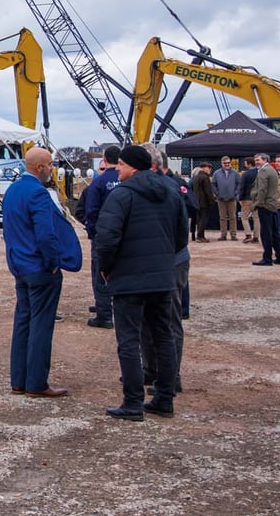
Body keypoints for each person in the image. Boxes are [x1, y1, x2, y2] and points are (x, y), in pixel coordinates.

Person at [94, 145, 188, 421]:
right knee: (164, 336)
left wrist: (106, 268)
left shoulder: (121, 195)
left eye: (120, 164)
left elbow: (107, 237)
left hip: (129, 277)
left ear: (133, 167)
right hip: (162, 276)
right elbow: (181, 235)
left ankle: (133, 401)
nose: (117, 169)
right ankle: (164, 398)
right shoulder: (171, 192)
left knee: (129, 340)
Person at [1, 146, 71, 399]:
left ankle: (19, 380)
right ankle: (36, 382)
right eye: (50, 165)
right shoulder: (38, 194)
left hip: (19, 265)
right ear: (39, 167)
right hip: (39, 267)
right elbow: (46, 233)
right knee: (41, 324)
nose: (52, 169)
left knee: (23, 322)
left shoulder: (12, 191)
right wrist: (53, 261)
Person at [142, 146, 191, 393]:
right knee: (149, 319)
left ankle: (170, 376)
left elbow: (181, 231)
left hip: (170, 261)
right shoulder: (154, 188)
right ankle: (152, 369)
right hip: (165, 260)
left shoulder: (168, 190)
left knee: (168, 319)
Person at [82, 145, 121, 330]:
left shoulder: (98, 183)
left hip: (103, 235)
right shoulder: (127, 180)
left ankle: (104, 313)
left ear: (104, 159)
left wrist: (93, 233)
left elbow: (91, 211)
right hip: (124, 235)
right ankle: (114, 307)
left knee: (101, 273)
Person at [250, 153, 280, 266]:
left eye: (258, 160)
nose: (256, 162)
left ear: (265, 160)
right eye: (255, 160)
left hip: (265, 205)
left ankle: (267, 258)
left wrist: (258, 203)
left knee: (266, 233)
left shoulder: (263, 171)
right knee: (274, 233)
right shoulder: (272, 170)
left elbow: (262, 189)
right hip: (272, 205)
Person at [212, 156, 241, 241]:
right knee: (222, 218)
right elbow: (213, 184)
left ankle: (233, 235)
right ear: (222, 163)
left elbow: (239, 184)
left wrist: (235, 194)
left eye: (228, 163)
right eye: (225, 163)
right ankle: (223, 235)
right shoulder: (216, 173)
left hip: (232, 199)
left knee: (233, 217)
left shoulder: (235, 173)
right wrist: (217, 194)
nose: (227, 164)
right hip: (221, 199)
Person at [189, 163, 215, 242]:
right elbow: (208, 191)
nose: (210, 169)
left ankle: (201, 236)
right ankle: (200, 236)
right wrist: (211, 201)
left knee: (199, 219)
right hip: (204, 202)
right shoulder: (205, 177)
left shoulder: (196, 177)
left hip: (197, 202)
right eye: (209, 168)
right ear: (204, 168)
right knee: (203, 219)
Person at [238, 157, 258, 243]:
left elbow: (242, 187)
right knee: (257, 218)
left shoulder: (245, 174)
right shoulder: (259, 173)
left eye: (245, 163)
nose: (244, 164)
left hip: (246, 198)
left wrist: (240, 198)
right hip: (257, 198)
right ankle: (256, 237)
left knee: (244, 217)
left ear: (249, 164)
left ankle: (248, 235)